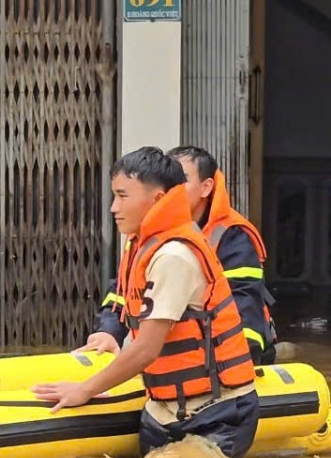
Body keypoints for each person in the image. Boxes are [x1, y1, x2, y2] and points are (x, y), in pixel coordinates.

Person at [33, 147, 259, 458]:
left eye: (123, 196)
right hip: (162, 411)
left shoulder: (174, 255)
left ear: (156, 200)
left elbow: (146, 349)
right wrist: (109, 331)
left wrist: (84, 389)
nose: (114, 207)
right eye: (114, 196)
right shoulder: (143, 245)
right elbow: (124, 301)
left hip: (215, 414)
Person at [83, 146, 277, 364]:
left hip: (221, 363)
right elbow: (124, 290)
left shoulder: (232, 237)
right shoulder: (148, 234)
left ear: (206, 188)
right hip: (171, 359)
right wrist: (109, 332)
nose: (173, 189)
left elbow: (244, 303)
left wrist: (240, 362)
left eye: (181, 180)